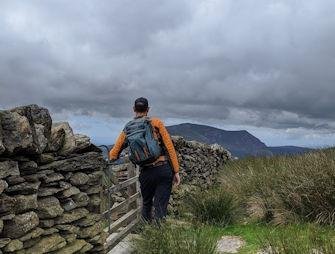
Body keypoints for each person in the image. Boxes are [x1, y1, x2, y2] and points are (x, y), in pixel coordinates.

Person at [109, 97, 180, 222]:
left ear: (134, 109)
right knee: (160, 206)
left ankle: (145, 233)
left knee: (146, 204)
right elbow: (170, 147)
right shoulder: (156, 123)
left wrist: (111, 158)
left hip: (146, 172)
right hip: (163, 169)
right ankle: (159, 235)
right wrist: (176, 171)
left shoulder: (128, 128)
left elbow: (114, 154)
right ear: (148, 109)